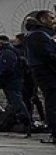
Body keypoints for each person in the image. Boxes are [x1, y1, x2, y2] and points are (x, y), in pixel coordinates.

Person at [21, 10, 56, 144]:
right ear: (42, 19)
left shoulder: (42, 34)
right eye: (51, 18)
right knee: (52, 102)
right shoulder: (38, 35)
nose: (54, 20)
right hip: (47, 74)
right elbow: (46, 55)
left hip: (46, 73)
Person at [0, 33, 30, 135]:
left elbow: (7, 67)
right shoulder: (7, 51)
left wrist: (0, 75)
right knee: (14, 102)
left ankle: (26, 122)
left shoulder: (7, 53)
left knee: (17, 101)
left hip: (11, 81)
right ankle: (18, 122)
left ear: (1, 42)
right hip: (10, 81)